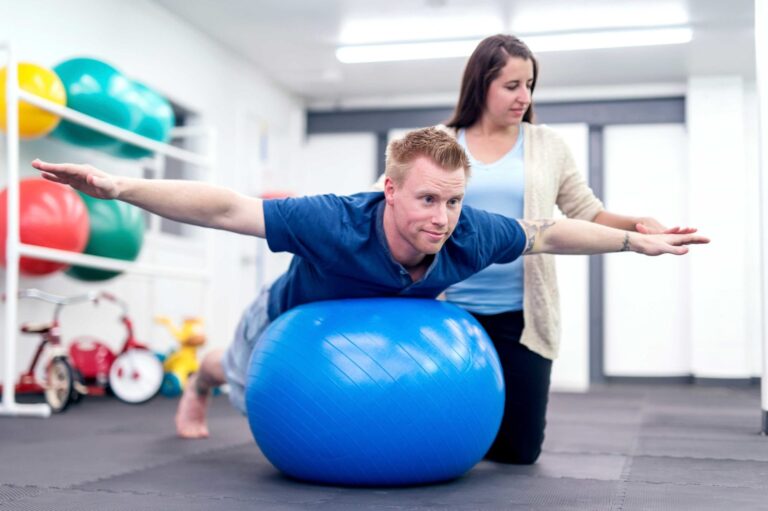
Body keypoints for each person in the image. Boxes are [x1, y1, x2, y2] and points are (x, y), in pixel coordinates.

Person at [32, 127, 707, 440]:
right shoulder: (330, 220)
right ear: (389, 189)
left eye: (451, 201)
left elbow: (551, 232)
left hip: (380, 337)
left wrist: (633, 240)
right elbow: (226, 207)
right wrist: (120, 186)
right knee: (234, 378)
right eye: (425, 201)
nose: (440, 219)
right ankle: (203, 384)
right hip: (290, 323)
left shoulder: (473, 230)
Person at [437, 34, 698, 464]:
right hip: (449, 312)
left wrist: (640, 226)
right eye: (511, 85)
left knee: (519, 452)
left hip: (522, 318)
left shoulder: (547, 146)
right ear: (480, 84)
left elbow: (587, 212)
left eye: (530, 85)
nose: (524, 96)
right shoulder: (439, 142)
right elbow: (386, 201)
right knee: (449, 437)